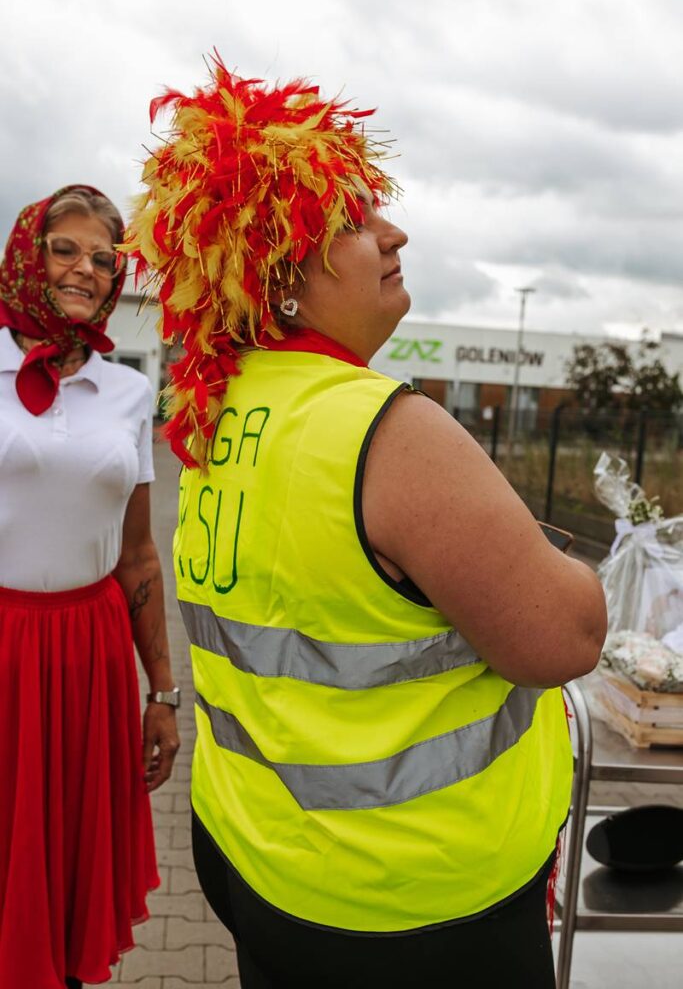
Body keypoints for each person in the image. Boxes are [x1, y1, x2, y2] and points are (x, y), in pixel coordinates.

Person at [126, 57, 607, 989]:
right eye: (349, 220)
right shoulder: (385, 427)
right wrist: (556, 566)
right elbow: (565, 637)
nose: (395, 232)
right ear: (279, 275)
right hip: (408, 900)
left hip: (258, 857)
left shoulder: (215, 416)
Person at [0, 185, 181, 988]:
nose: (87, 270)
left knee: (68, 863)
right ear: (26, 256)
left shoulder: (128, 392)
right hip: (3, 646)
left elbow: (139, 555)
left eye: (105, 260)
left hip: (90, 654)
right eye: (66, 249)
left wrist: (163, 693)